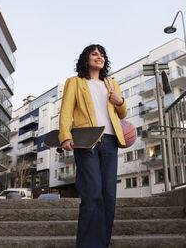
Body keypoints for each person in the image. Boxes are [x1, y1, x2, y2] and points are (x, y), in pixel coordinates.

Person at [58, 44, 127, 247]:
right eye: (94, 54)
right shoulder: (74, 83)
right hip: (86, 141)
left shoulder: (112, 83)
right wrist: (64, 135)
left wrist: (119, 100)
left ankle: (102, 242)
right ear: (86, 59)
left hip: (110, 140)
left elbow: (122, 113)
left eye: (102, 54)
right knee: (93, 192)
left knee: (108, 195)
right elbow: (66, 111)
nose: (100, 57)